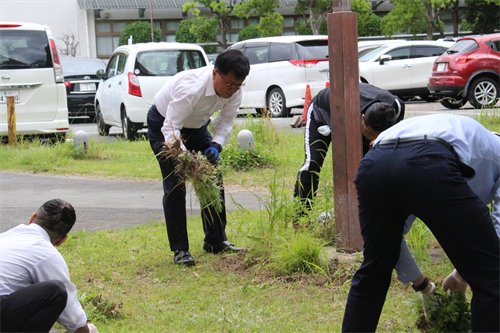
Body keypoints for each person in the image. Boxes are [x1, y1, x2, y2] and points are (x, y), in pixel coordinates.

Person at [342, 114, 500, 332]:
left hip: (375, 162)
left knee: (375, 269)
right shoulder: (488, 151)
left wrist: (426, 285)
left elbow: (393, 241)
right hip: (428, 159)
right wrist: (465, 274)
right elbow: (495, 241)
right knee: (492, 277)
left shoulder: (467, 139)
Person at [147, 49, 250, 266]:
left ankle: (215, 240)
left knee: (213, 179)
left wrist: (216, 144)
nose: (233, 90)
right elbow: (171, 128)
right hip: (164, 125)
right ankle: (180, 250)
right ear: (215, 74)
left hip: (196, 127)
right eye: (229, 84)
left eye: (238, 85)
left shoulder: (234, 90)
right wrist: (187, 159)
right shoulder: (191, 88)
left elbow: (225, 122)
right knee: (176, 184)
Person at [395, 128, 500, 297]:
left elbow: (388, 235)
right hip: (424, 161)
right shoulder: (478, 155)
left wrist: (425, 286)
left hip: (394, 157)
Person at [293, 82, 405, 213]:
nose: (370, 139)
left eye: (375, 137)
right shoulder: (349, 113)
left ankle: (371, 212)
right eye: (368, 134)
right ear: (362, 118)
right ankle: (301, 217)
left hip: (357, 116)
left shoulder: (395, 108)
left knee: (373, 165)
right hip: (322, 110)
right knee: (312, 164)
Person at [0, 199, 99, 333]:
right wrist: (89, 331)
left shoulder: (6, 236)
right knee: (55, 291)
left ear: (32, 217)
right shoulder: (46, 253)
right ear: (62, 240)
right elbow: (71, 315)